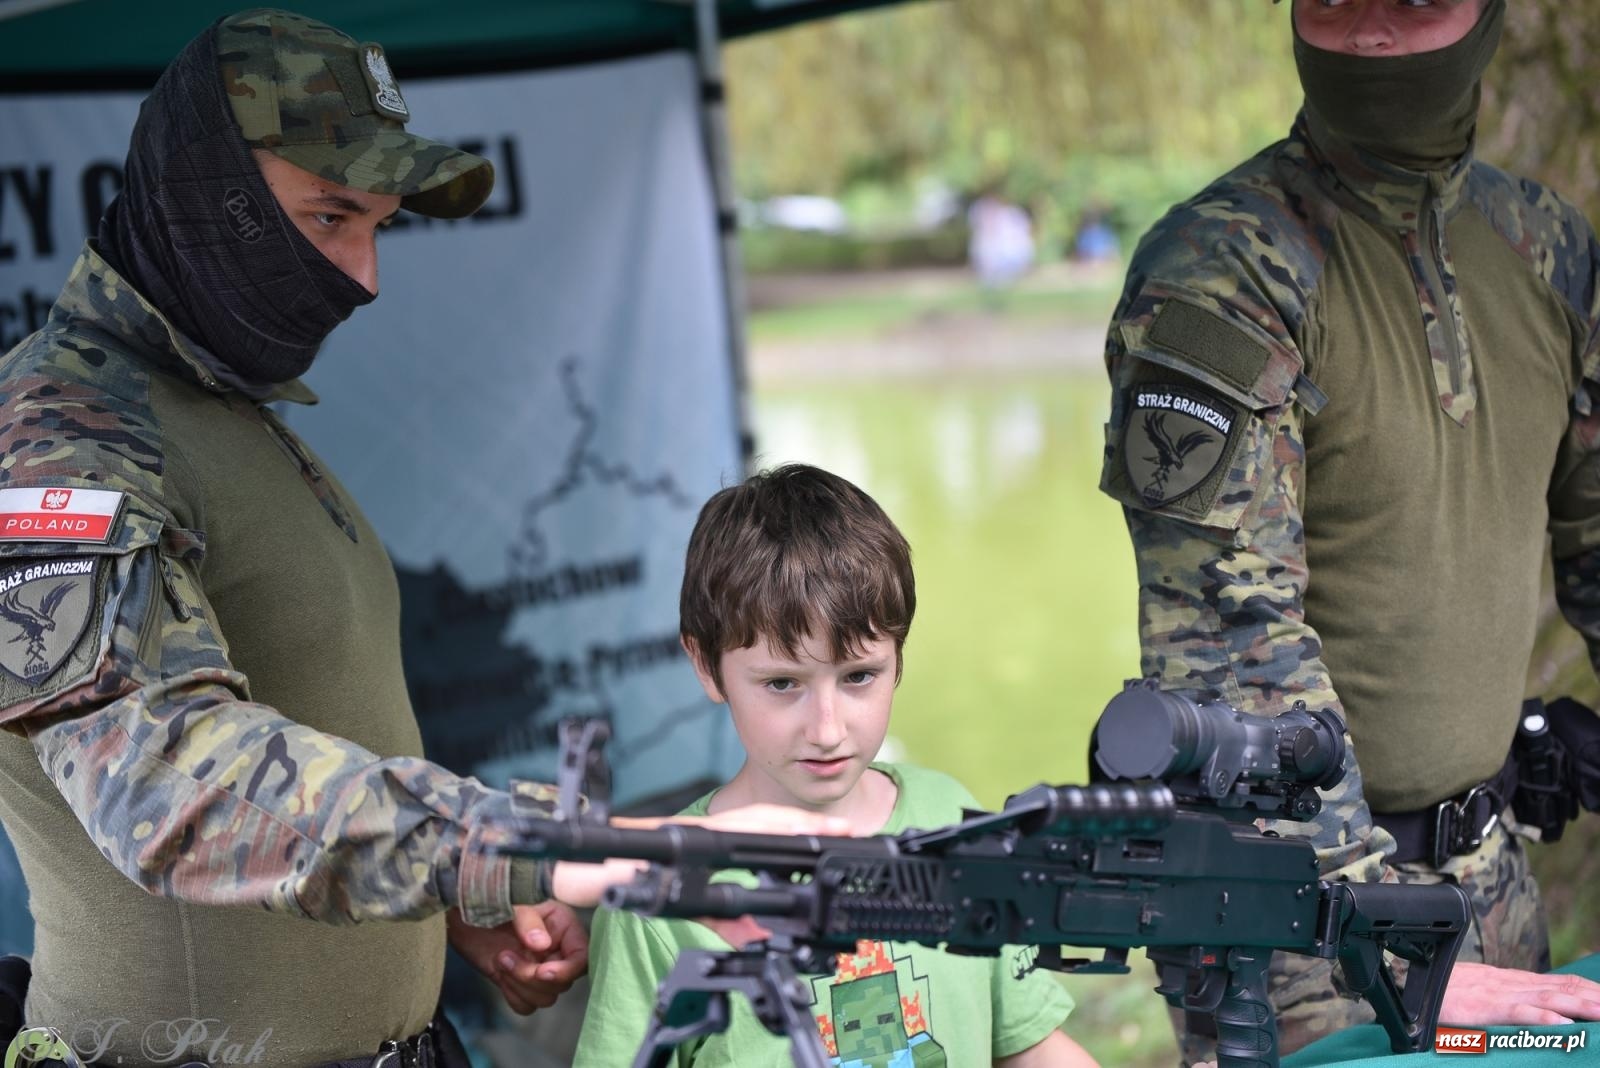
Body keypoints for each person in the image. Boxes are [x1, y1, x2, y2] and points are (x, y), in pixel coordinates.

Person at [0, 10, 838, 1067]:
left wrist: (439, 905)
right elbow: (158, 778)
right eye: (329, 215)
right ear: (204, 193)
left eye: (379, 226)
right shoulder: (59, 437)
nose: (363, 275)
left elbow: (314, 737)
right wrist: (530, 851)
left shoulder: (225, 414)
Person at [1098, 0, 1600, 1060]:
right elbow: (1226, 637)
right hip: (1297, 927)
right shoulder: (1221, 266)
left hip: (1491, 881)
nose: (1370, 33)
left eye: (1412, 1)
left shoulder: (1548, 250)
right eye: (1335, 0)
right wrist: (1380, 937)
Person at [573, 463, 1097, 1067]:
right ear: (705, 664)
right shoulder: (659, 894)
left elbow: (1027, 1047)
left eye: (859, 677)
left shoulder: (953, 821)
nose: (827, 730)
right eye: (781, 683)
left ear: (900, 652)